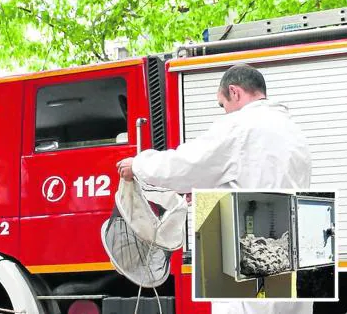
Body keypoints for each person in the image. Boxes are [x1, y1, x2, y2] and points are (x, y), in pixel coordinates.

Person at [117, 64, 312, 314]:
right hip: (296, 241)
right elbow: (257, 178)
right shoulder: (291, 129)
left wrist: (139, 163)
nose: (225, 111)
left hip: (254, 242)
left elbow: (185, 165)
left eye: (223, 104)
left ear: (235, 91)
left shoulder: (241, 125)